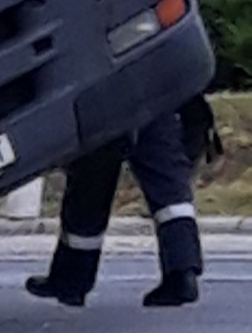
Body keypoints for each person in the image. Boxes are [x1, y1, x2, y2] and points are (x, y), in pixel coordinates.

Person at [27, 95, 208, 311]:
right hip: (155, 91)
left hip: (104, 96)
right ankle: (182, 273)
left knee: (91, 184)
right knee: (168, 186)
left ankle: (72, 281)